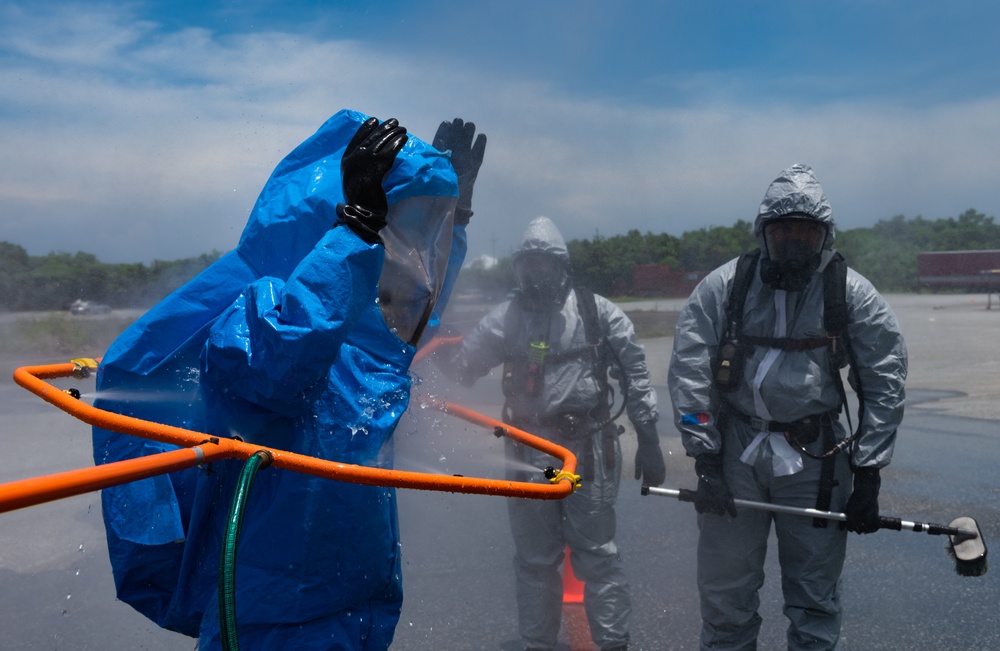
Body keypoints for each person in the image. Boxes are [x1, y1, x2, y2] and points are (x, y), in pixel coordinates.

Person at [91, 109, 486, 649]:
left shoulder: (372, 344)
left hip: (359, 603)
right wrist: (355, 234)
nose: (411, 259)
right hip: (271, 616)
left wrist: (454, 223)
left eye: (424, 235)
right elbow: (281, 368)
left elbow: (415, 306)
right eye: (403, 231)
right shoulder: (254, 317)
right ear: (333, 222)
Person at [667, 163, 907, 650]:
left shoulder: (851, 293)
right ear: (764, 235)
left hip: (816, 459)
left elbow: (884, 379)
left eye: (805, 232)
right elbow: (690, 371)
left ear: (825, 237)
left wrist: (869, 472)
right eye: (782, 232)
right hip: (734, 454)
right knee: (725, 595)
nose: (793, 242)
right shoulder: (724, 287)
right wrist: (705, 456)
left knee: (814, 598)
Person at [442, 216, 666, 651]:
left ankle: (614, 644)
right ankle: (538, 645)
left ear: (562, 266)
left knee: (597, 555)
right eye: (527, 265)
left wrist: (650, 438)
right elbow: (461, 369)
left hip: (587, 453)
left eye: (543, 264)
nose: (535, 273)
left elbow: (637, 374)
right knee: (535, 560)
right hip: (530, 458)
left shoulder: (597, 313)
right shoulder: (505, 319)